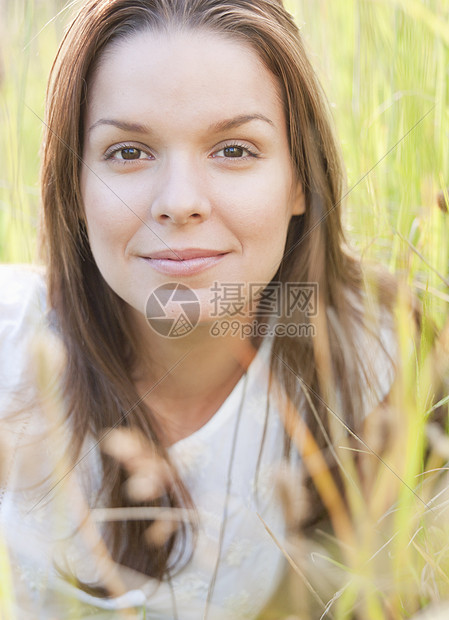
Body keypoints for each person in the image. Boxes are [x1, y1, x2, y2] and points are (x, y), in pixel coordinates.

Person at [0, 0, 397, 618]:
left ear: (299, 180)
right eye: (128, 152)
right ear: (74, 188)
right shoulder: (10, 351)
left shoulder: (374, 353)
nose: (179, 202)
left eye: (234, 149)